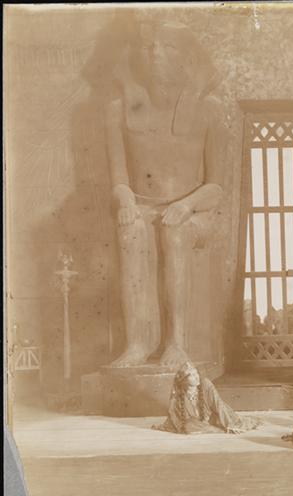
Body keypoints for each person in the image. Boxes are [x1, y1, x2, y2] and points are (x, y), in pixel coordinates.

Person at [106, 20, 227, 367]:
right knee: (130, 231)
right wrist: (125, 200)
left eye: (167, 46)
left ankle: (177, 343)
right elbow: (119, 180)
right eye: (150, 47)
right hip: (143, 208)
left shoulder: (209, 110)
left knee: (173, 231)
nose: (156, 54)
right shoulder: (117, 110)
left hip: (193, 214)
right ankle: (136, 345)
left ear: (187, 59)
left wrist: (186, 205)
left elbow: (216, 187)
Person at [152, 362, 261, 435]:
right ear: (184, 380)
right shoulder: (178, 392)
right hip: (195, 422)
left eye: (196, 373)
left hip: (212, 415)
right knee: (188, 426)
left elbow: (218, 404)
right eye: (192, 375)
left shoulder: (206, 384)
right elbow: (175, 414)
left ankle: (222, 426)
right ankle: (214, 429)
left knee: (223, 418)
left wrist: (230, 424)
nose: (197, 377)